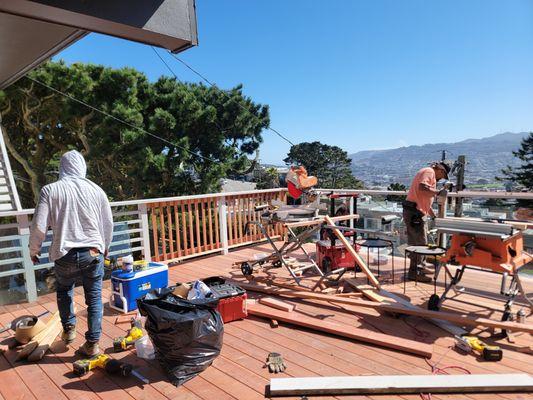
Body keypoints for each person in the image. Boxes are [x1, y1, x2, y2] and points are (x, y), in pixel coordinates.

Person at [29, 150, 113, 356]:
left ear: (62, 167)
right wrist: (105, 247)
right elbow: (108, 224)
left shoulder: (50, 190)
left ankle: (68, 331)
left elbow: (39, 225)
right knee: (93, 298)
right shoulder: (97, 190)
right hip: (93, 252)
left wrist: (34, 249)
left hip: (64, 253)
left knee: (64, 290)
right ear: (82, 166)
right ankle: (92, 343)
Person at [402, 161, 451, 282]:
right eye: (443, 176)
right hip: (415, 213)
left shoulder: (426, 172)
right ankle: (414, 273)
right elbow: (422, 188)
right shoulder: (429, 172)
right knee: (419, 244)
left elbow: (423, 199)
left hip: (415, 211)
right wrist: (438, 192)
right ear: (440, 170)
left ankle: (421, 267)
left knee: (418, 243)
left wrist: (434, 216)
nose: (441, 179)